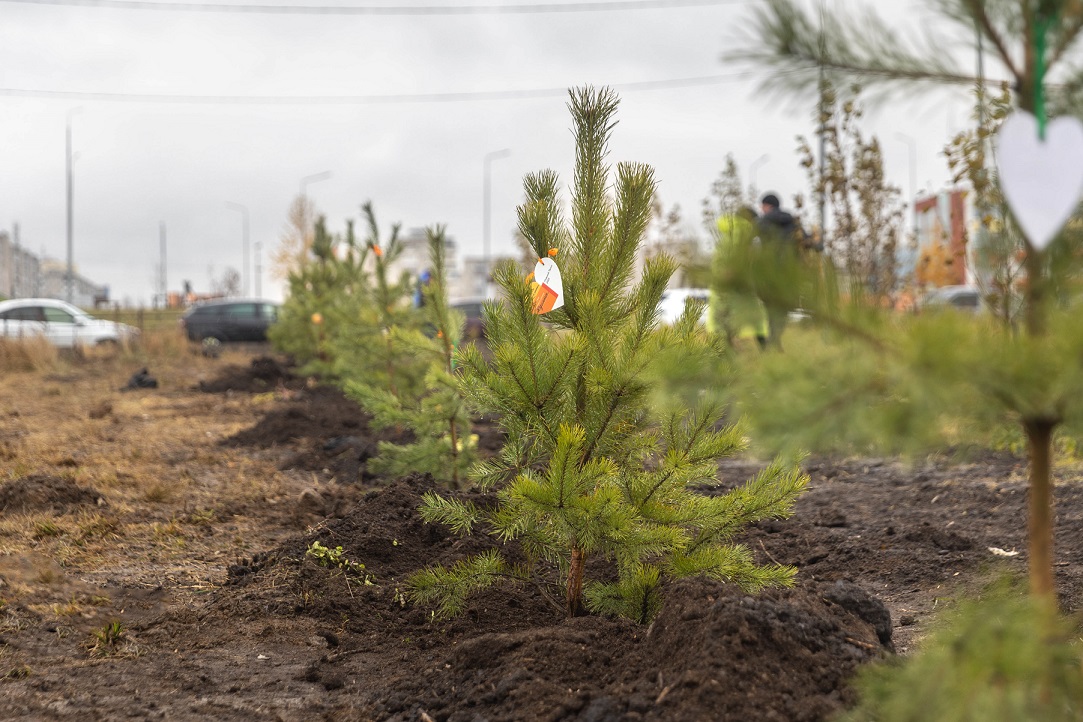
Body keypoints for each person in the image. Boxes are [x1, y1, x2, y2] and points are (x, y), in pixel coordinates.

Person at [755, 193, 803, 350]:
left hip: (768, 273)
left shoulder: (762, 222)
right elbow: (807, 241)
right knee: (782, 308)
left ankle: (767, 340)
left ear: (767, 206)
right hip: (788, 274)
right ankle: (775, 339)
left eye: (762, 206)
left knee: (768, 307)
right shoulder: (793, 223)